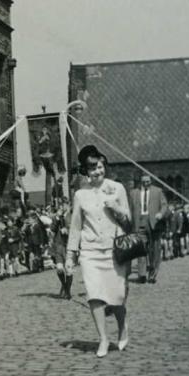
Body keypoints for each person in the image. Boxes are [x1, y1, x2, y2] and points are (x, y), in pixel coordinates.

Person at [65, 145, 131, 358]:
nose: (97, 172)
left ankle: (122, 326)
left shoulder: (117, 188)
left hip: (114, 250)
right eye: (92, 168)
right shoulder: (80, 195)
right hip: (90, 252)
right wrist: (70, 255)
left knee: (117, 296)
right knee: (94, 296)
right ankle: (103, 338)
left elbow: (128, 220)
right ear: (85, 170)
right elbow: (75, 226)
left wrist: (116, 207)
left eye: (100, 167)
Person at [129, 174, 168, 283]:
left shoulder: (158, 191)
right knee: (141, 249)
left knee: (154, 250)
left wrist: (161, 213)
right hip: (139, 223)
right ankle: (141, 275)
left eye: (148, 181)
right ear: (140, 182)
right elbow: (130, 209)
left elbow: (164, 205)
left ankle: (152, 274)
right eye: (144, 182)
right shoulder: (133, 193)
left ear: (151, 181)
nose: (146, 184)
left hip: (154, 223)